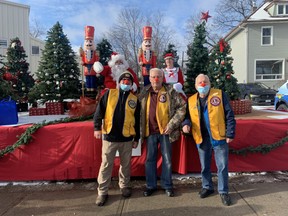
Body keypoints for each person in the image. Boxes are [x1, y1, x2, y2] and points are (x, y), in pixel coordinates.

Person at [182, 74, 236, 206]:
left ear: (210, 83)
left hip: (219, 136)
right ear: (195, 86)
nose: (202, 85)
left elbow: (229, 115)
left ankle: (223, 192)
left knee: (222, 166)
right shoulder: (191, 100)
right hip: (201, 137)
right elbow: (187, 116)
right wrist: (186, 124)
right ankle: (207, 187)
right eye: (199, 82)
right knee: (204, 166)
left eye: (205, 82)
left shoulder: (220, 95)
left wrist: (230, 133)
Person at [93, 71, 140, 206]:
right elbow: (99, 112)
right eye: (123, 81)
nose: (126, 84)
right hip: (110, 138)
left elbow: (137, 120)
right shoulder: (109, 94)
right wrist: (97, 128)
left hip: (126, 138)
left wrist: (136, 137)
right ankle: (102, 192)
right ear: (119, 83)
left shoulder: (134, 99)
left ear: (131, 84)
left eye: (128, 82)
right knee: (106, 165)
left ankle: (124, 186)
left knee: (125, 165)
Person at [138, 68, 186, 197]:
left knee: (167, 160)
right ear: (149, 78)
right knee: (150, 160)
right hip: (149, 132)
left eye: (158, 76)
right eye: (153, 77)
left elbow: (182, 107)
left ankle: (167, 185)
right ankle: (150, 185)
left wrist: (172, 125)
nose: (156, 79)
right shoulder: (144, 92)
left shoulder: (171, 91)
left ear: (163, 77)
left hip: (166, 132)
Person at [79, 26, 99, 92]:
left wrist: (97, 67)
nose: (88, 43)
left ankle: (93, 88)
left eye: (90, 41)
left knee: (93, 78)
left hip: (93, 67)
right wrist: (82, 60)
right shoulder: (84, 52)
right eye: (87, 41)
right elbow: (82, 58)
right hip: (86, 67)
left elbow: (97, 60)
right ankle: (88, 88)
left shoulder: (95, 52)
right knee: (87, 78)